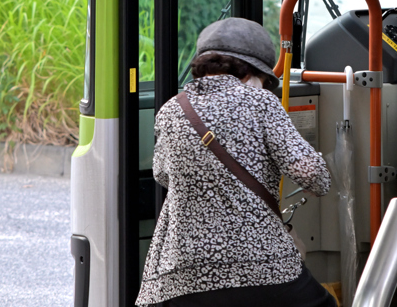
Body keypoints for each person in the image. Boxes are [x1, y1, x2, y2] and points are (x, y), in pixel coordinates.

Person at [136, 17, 334, 307]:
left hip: (181, 273)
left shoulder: (171, 110)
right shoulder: (260, 102)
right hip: (261, 265)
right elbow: (313, 176)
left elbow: (162, 175)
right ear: (251, 73)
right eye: (266, 80)